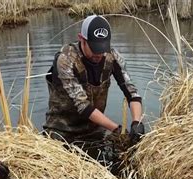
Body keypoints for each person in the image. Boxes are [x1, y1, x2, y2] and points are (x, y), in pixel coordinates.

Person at [43, 14, 145, 152]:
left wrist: (136, 122)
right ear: (81, 39)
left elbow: (132, 93)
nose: (99, 53)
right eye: (94, 47)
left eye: (103, 47)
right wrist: (117, 129)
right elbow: (83, 106)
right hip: (61, 131)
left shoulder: (113, 57)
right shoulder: (65, 60)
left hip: (94, 130)